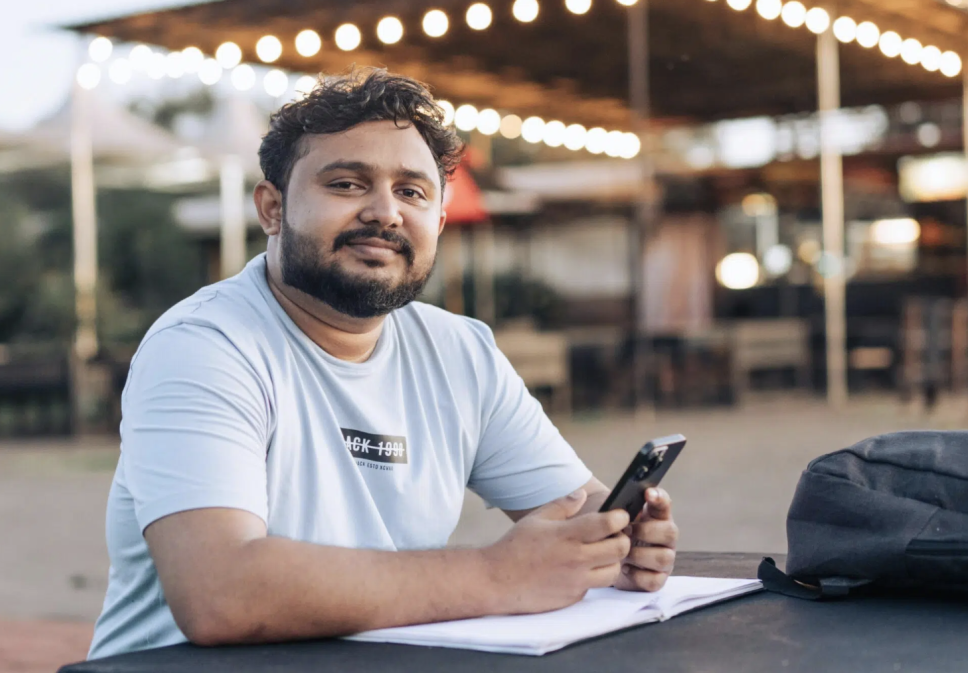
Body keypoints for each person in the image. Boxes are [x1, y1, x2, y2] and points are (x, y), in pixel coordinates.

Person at [88, 68, 678, 660]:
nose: (385, 212)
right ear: (271, 208)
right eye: (347, 184)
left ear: (439, 224)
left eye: (413, 192)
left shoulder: (460, 353)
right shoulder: (205, 345)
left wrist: (614, 544)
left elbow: (573, 508)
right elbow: (220, 591)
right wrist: (499, 576)